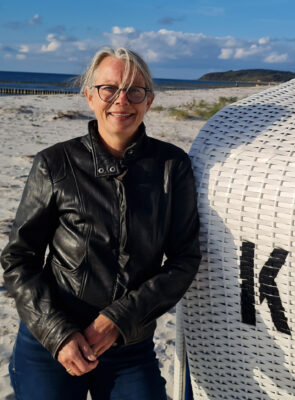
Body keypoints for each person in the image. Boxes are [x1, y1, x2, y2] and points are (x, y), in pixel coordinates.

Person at [0, 47, 201, 399]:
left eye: (134, 90)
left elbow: (184, 259)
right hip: (50, 341)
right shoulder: (55, 164)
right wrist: (57, 332)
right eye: (109, 88)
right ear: (90, 95)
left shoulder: (172, 166)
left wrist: (119, 319)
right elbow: (19, 260)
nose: (122, 100)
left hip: (129, 345)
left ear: (149, 100)